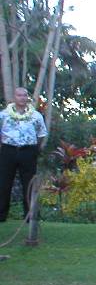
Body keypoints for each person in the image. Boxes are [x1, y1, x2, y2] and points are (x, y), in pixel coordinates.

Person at [0, 88, 48, 221]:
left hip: (28, 151)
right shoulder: (4, 115)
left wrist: (35, 149)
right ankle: (1, 214)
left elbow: (41, 134)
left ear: (28, 97)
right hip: (8, 150)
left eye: (24, 95)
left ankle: (30, 216)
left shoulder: (36, 116)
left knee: (29, 183)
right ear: (14, 97)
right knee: (4, 182)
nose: (22, 98)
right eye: (19, 95)